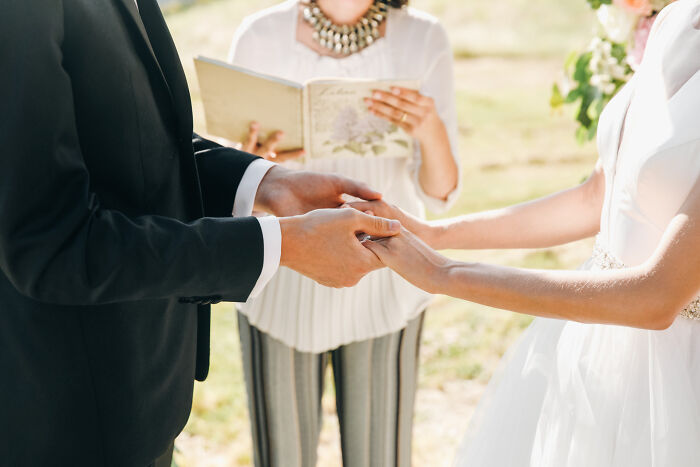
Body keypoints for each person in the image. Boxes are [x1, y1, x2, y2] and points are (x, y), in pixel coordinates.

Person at [0, 0, 401, 465]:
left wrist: (268, 183)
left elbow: (127, 142)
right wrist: (279, 243)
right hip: (71, 421)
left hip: (141, 399)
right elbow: (52, 245)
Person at [354, 1, 700, 464]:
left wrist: (443, 274)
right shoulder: (675, 21)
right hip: (596, 349)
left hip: (677, 381)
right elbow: (596, 197)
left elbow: (656, 298)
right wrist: (433, 233)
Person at [227, 0, 460, 465]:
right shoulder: (258, 36)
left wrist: (430, 128)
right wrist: (251, 161)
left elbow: (440, 192)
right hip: (281, 278)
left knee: (381, 455)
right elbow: (235, 184)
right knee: (281, 456)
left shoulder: (423, 38)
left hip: (384, 279)